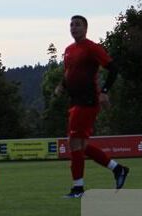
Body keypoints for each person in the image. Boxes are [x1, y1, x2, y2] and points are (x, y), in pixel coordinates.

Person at [55, 15, 128, 198]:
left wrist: (104, 91)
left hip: (87, 101)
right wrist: (61, 86)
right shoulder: (69, 50)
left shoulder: (91, 48)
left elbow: (113, 68)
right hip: (75, 101)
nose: (74, 28)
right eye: (71, 24)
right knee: (82, 145)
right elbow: (68, 73)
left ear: (86, 28)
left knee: (74, 143)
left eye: (78, 25)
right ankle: (117, 169)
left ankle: (78, 188)